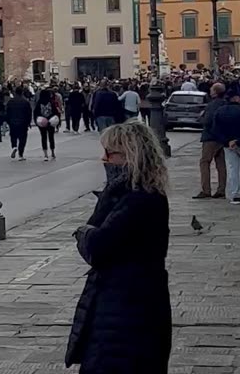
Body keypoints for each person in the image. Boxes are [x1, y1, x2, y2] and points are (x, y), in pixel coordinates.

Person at [65, 121, 171, 374]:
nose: (103, 159)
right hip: (125, 304)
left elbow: (98, 246)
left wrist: (84, 232)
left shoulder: (138, 198)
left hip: (127, 310)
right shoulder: (133, 193)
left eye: (109, 153)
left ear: (130, 156)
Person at [198, 82, 229, 199]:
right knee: (221, 164)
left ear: (215, 92)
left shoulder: (212, 105)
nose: (210, 91)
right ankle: (221, 189)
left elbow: (207, 121)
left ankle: (206, 190)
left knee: (204, 162)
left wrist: (201, 116)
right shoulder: (225, 103)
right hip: (223, 137)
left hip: (210, 137)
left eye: (211, 89)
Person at [210, 86, 240, 205]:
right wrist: (237, 140)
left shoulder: (220, 111)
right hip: (237, 142)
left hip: (228, 145)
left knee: (233, 168)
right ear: (236, 98)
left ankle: (235, 194)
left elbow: (215, 130)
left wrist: (227, 141)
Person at [5, 86, 34, 160]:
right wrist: (29, 122)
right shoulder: (25, 102)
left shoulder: (10, 102)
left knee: (13, 136)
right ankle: (21, 154)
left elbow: (7, 112)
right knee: (22, 138)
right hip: (23, 122)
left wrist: (8, 121)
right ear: (22, 92)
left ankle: (14, 146)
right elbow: (29, 113)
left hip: (12, 122)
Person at [34, 87, 60, 161]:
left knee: (43, 137)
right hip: (51, 121)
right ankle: (52, 152)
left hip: (42, 122)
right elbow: (56, 112)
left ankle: (45, 154)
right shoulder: (51, 102)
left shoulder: (39, 103)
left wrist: (37, 121)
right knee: (51, 137)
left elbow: (36, 113)